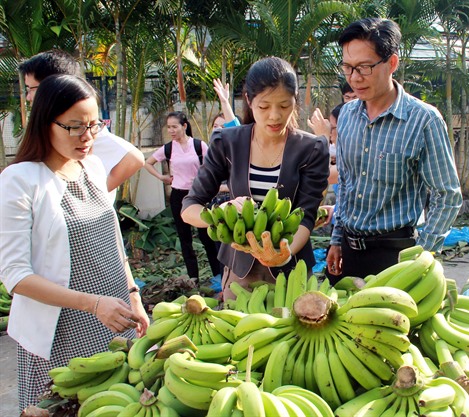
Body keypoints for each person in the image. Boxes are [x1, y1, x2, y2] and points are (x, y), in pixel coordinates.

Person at [0, 75, 149, 411]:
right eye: (74, 127)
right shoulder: (20, 180)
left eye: (94, 125)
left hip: (114, 321)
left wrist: (134, 295)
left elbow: (111, 242)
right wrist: (93, 304)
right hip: (61, 334)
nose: (88, 137)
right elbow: (15, 276)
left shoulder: (93, 167)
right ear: (45, 123)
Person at [181, 57, 329, 299]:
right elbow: (189, 208)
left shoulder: (312, 148)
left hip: (293, 270)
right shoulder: (226, 143)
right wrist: (221, 215)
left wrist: (284, 253)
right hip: (240, 273)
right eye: (264, 107)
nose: (274, 116)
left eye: (284, 105)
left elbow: (307, 214)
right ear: (249, 100)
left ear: (295, 101)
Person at [326, 18, 462, 279]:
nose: (355, 78)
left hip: (397, 255)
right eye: (348, 67)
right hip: (349, 251)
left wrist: (423, 255)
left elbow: (447, 195)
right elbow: (345, 183)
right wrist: (336, 238)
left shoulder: (423, 120)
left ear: (392, 63)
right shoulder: (346, 116)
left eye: (365, 67)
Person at [19, 50, 144, 203]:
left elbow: (134, 158)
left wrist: (95, 198)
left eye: (31, 89)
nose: (87, 137)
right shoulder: (19, 177)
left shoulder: (89, 149)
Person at [144, 112, 222, 279]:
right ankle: (194, 278)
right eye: (169, 127)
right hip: (178, 196)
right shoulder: (168, 148)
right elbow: (148, 163)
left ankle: (217, 276)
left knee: (207, 236)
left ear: (184, 126)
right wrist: (162, 177)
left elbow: (212, 167)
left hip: (199, 195)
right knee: (185, 238)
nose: (171, 130)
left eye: (174, 126)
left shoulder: (199, 145)